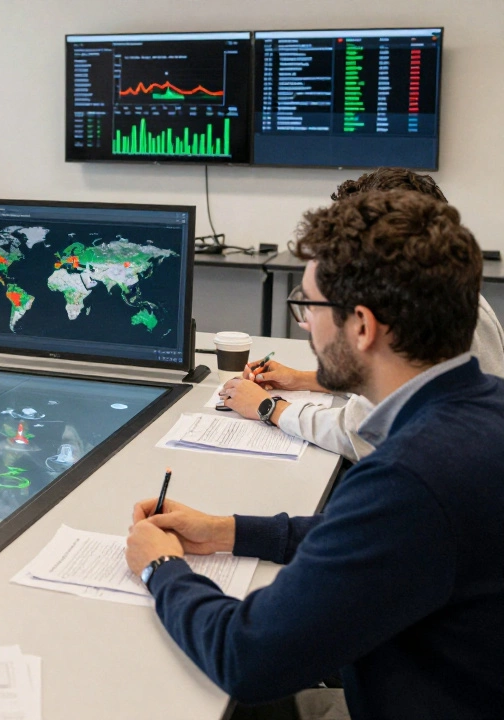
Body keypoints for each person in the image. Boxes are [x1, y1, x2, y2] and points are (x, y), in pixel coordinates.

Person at [125, 191, 504, 719]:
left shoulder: (411, 477)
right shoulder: (480, 410)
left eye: (308, 306)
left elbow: (248, 657)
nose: (304, 326)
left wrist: (159, 567)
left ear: (364, 326)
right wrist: (224, 530)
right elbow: (370, 538)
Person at [219, 167, 504, 461]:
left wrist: (271, 408)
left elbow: (359, 432)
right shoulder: (445, 299)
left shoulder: (436, 318)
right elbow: (390, 386)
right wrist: (302, 379)